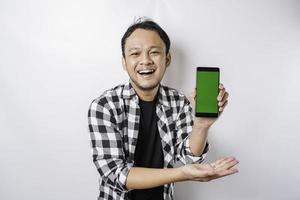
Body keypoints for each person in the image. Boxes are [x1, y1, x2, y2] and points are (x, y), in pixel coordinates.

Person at [87, 17, 239, 200]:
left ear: (167, 59)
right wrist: (182, 174)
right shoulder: (105, 106)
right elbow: (116, 174)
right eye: (135, 54)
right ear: (124, 63)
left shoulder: (178, 101)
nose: (145, 60)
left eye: (154, 52)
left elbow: (189, 159)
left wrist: (201, 125)